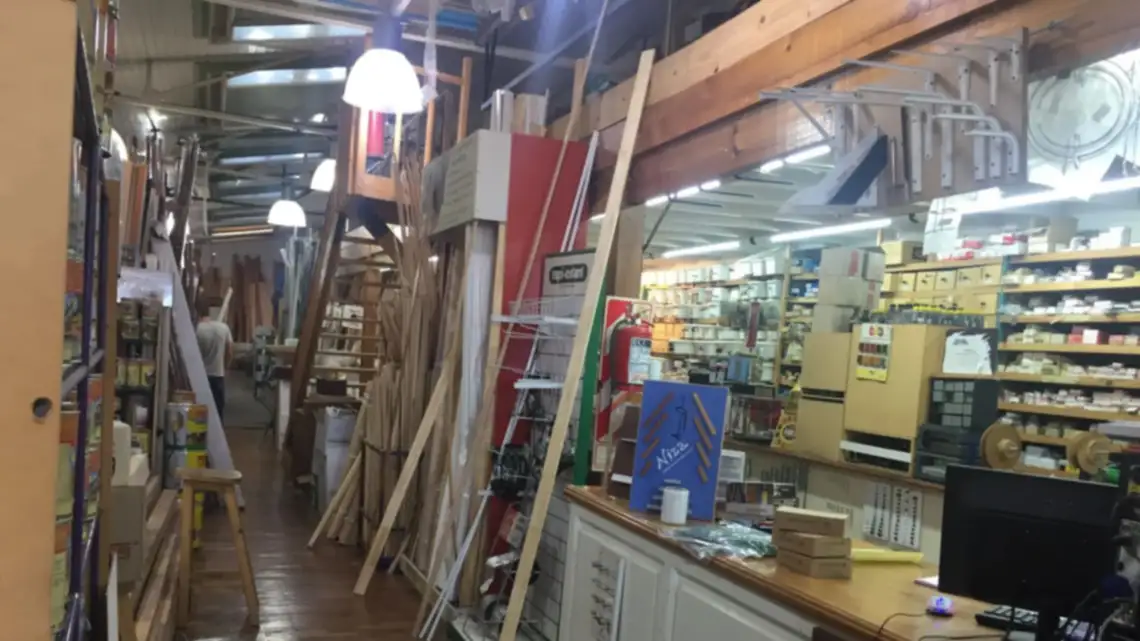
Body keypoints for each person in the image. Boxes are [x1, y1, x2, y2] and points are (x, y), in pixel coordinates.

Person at [196, 303, 233, 422]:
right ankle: (218, 431)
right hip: (218, 375)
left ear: (197, 314)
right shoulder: (223, 328)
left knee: (201, 410)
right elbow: (230, 351)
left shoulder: (197, 329)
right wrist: (226, 367)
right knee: (218, 409)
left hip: (201, 376)